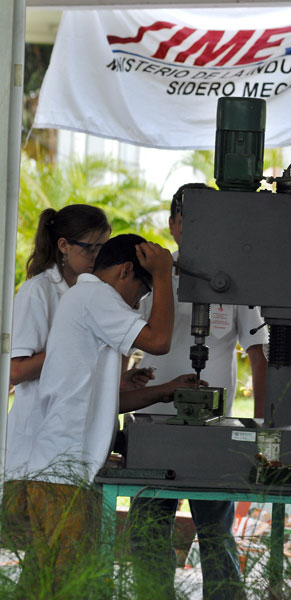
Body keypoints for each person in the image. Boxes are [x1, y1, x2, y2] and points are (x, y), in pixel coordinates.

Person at [17, 234, 202, 594]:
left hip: (62, 469)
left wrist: (164, 390)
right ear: (125, 271)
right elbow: (160, 341)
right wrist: (163, 274)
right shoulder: (95, 296)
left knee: (46, 583)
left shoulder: (83, 298)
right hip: (63, 471)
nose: (139, 302)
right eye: (142, 291)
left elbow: (105, 401)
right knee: (68, 584)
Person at [130, 183, 268, 600]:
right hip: (154, 426)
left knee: (216, 533)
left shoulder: (235, 282)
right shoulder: (151, 277)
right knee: (149, 533)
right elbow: (121, 347)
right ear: (173, 225)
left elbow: (259, 356)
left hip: (214, 432)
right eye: (190, 222)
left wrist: (261, 428)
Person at [6, 204, 111, 482]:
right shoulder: (38, 291)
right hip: (35, 437)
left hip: (77, 437)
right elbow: (16, 371)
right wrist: (69, 342)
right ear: (63, 245)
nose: (97, 256)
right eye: (89, 248)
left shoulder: (95, 292)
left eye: (103, 247)